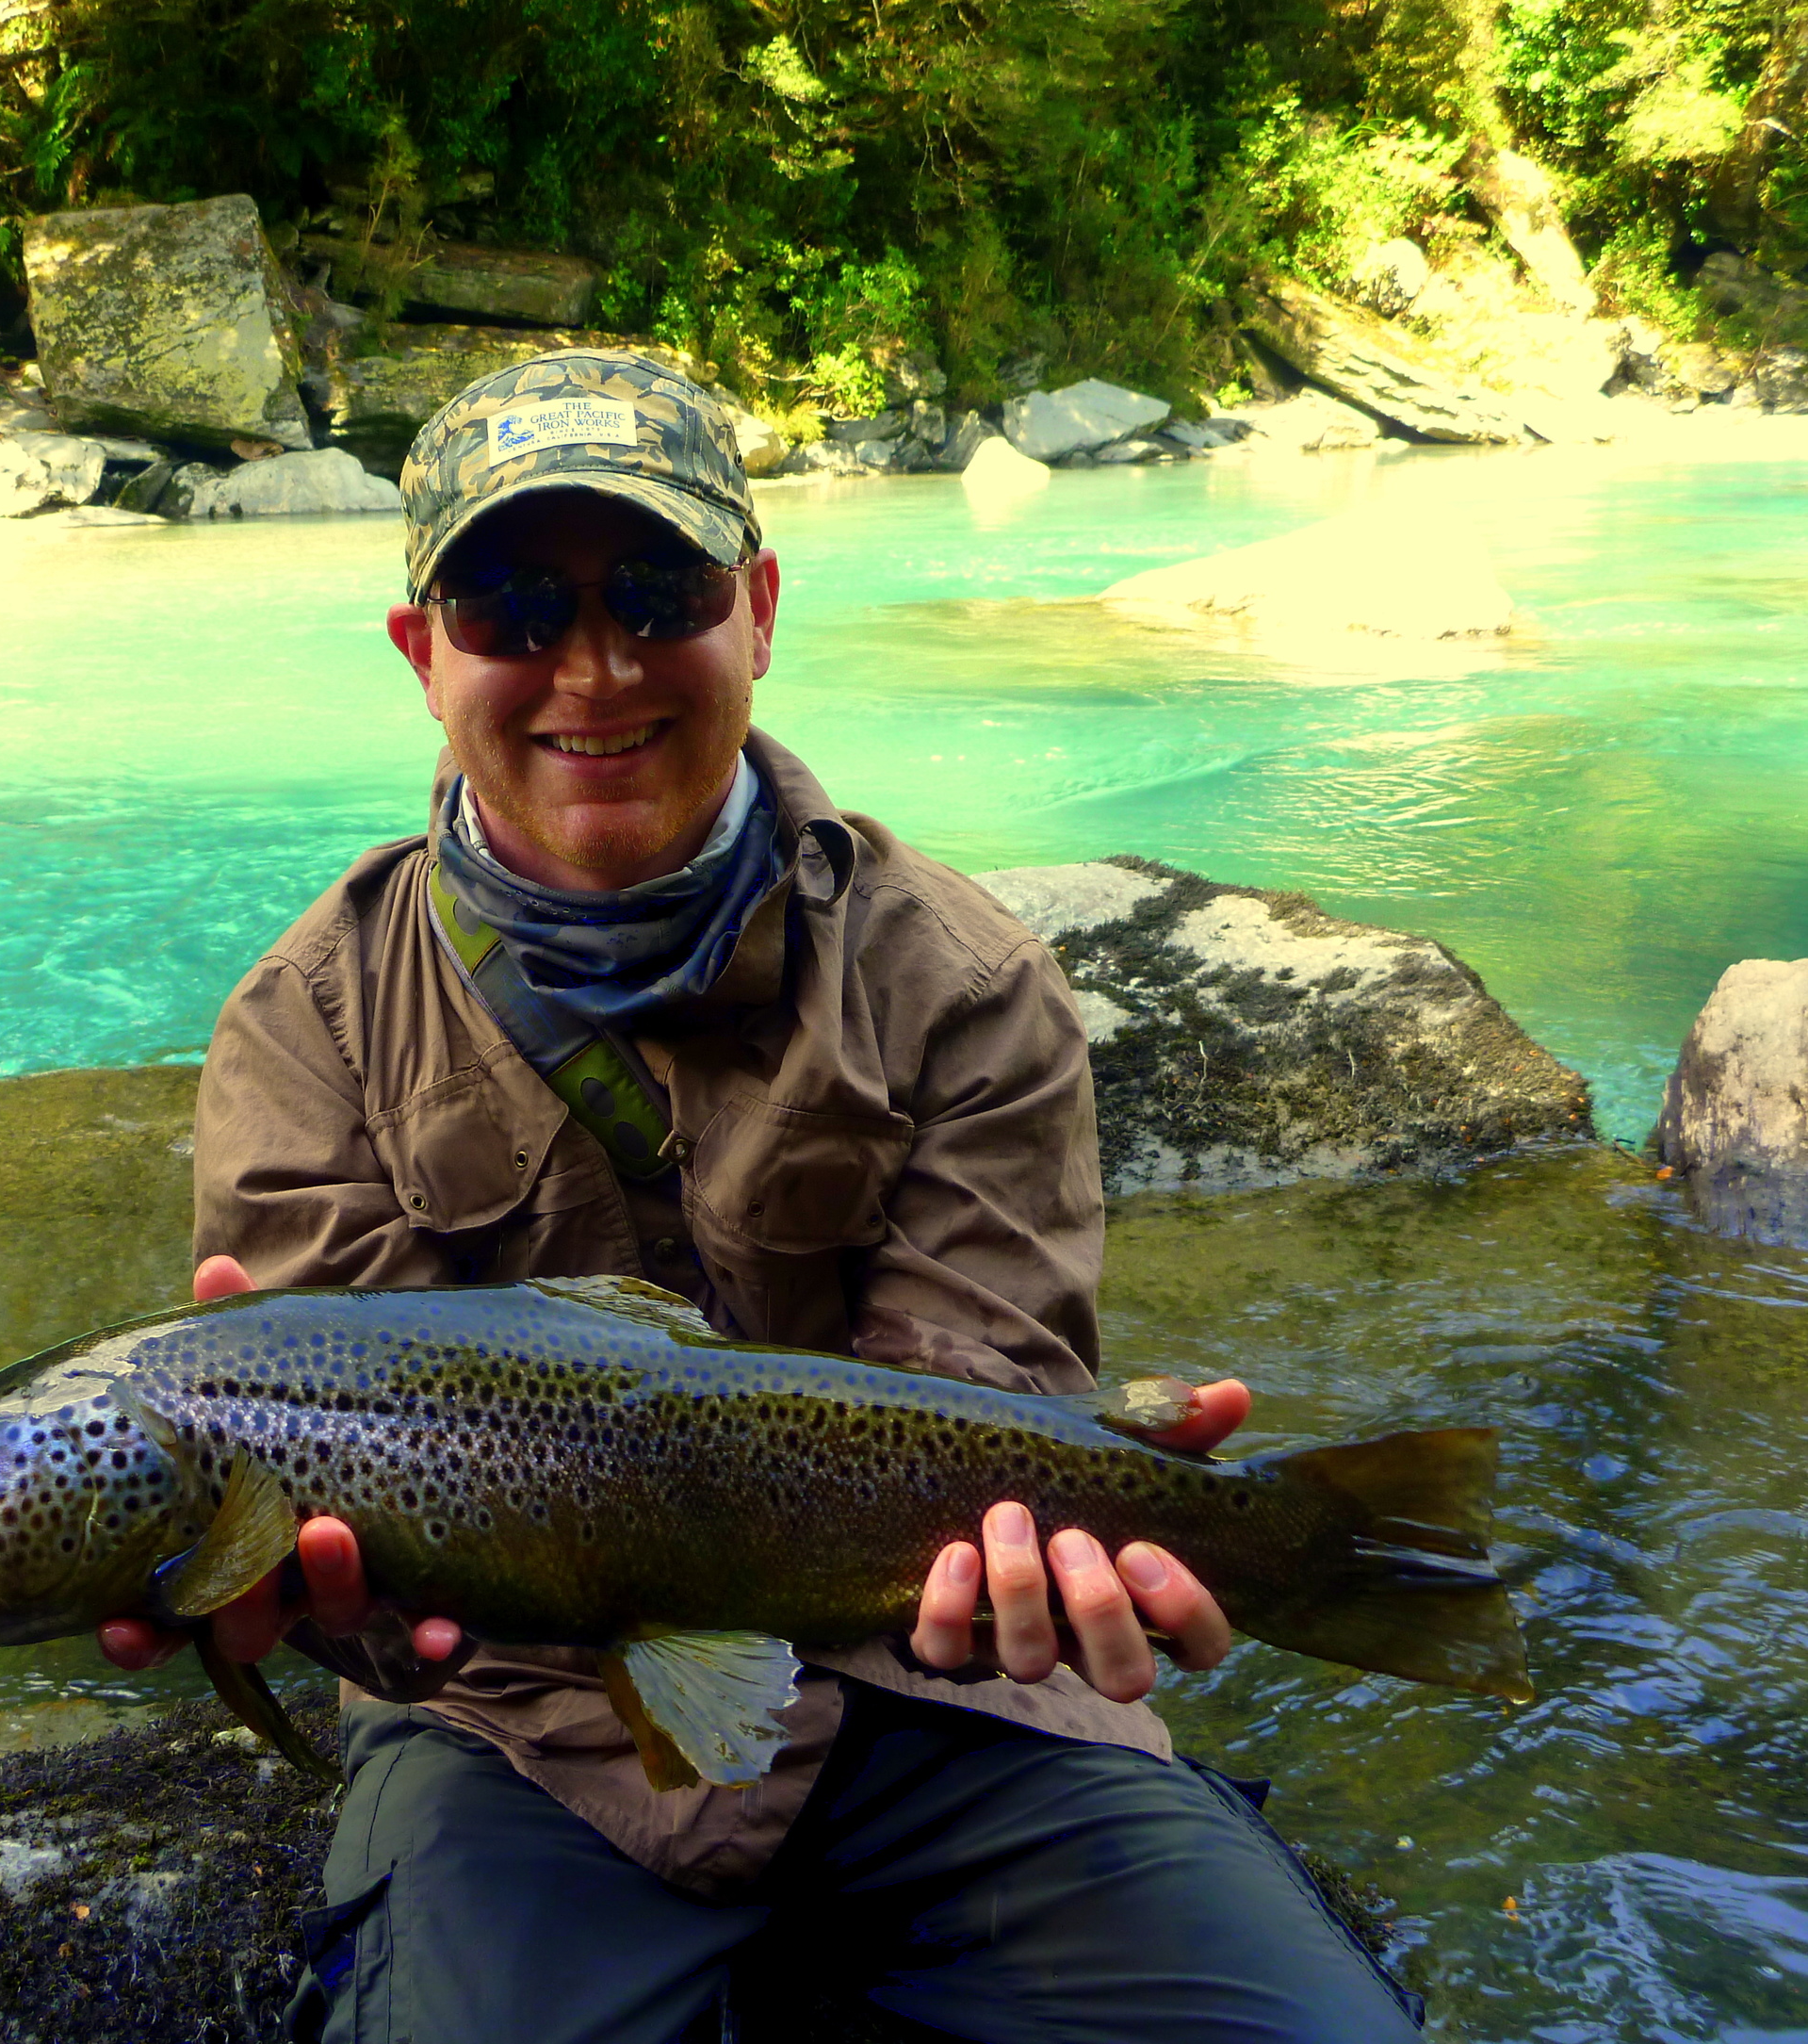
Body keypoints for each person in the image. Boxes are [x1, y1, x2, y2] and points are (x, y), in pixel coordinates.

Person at [99, 351, 1425, 2041]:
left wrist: (1075, 1542)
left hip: (944, 1702)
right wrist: (300, 1598)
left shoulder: (959, 979)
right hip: (521, 1735)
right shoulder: (305, 1029)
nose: (595, 665)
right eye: (511, 606)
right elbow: (335, 1547)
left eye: (660, 588)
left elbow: (982, 1408)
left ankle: (1343, 1555)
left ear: (764, 608)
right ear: (424, 656)